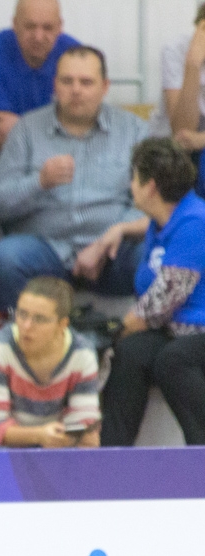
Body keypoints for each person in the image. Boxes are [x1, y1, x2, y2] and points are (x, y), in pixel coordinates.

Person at [0, 47, 147, 315]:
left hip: (113, 253)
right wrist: (39, 182)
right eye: (67, 81)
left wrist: (111, 236)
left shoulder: (135, 131)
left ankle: (141, 336)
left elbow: (154, 204)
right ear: (55, 85)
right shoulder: (26, 130)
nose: (76, 90)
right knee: (5, 257)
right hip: (46, 252)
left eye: (86, 82)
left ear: (105, 87)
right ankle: (22, 337)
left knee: (155, 255)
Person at [100, 139, 205, 447]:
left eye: (134, 178)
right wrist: (120, 228)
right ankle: (111, 455)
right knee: (130, 353)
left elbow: (163, 301)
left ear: (150, 187)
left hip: (196, 330)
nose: (130, 186)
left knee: (173, 360)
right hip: (176, 329)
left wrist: (114, 330)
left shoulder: (195, 223)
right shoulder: (162, 220)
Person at [0, 276, 100, 449]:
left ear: (62, 324)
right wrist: (40, 435)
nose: (26, 326)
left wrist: (79, 437)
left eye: (39, 319)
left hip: (46, 445)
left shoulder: (82, 353)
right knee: (0, 458)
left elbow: (84, 420)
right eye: (22, 314)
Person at [0, 0, 78, 202]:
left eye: (47, 28)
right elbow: (1, 132)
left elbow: (83, 119)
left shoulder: (74, 55)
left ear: (60, 27)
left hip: (53, 154)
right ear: (15, 24)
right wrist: (45, 171)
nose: (38, 36)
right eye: (30, 27)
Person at [154, 4, 205, 188]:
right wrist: (193, 64)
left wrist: (201, 140)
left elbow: (193, 140)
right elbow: (182, 131)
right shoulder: (176, 49)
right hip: (173, 150)